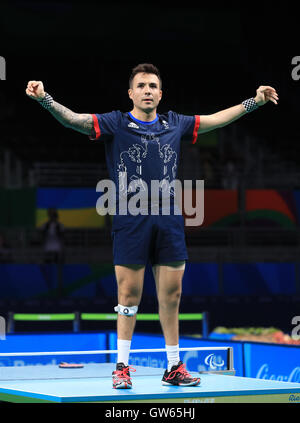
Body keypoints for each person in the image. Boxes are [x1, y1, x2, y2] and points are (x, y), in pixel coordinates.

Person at [26, 64, 278, 389]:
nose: (148, 90)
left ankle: (174, 367)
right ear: (131, 93)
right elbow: (75, 120)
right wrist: (45, 98)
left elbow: (215, 119)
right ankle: (122, 366)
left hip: (169, 220)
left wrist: (253, 102)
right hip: (131, 220)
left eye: (153, 85)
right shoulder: (115, 123)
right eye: (141, 85)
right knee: (128, 294)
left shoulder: (175, 123)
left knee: (171, 295)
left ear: (161, 93)